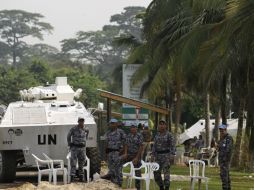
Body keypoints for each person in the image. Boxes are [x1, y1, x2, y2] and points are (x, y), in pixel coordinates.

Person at [101, 118, 126, 187]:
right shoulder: (108, 132)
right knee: (111, 167)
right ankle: (113, 181)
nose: (112, 125)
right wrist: (106, 153)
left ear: (116, 124)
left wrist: (124, 151)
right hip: (110, 152)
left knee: (118, 168)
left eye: (113, 123)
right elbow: (106, 142)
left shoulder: (121, 132)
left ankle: (120, 182)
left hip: (117, 152)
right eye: (111, 123)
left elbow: (125, 142)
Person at [151, 119, 175, 190]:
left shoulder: (169, 135)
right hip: (158, 156)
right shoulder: (157, 135)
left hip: (166, 156)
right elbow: (154, 146)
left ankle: (167, 187)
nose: (161, 126)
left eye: (163, 124)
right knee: (156, 172)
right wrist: (152, 155)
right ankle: (161, 187)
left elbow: (173, 145)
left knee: (166, 173)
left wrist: (172, 154)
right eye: (160, 124)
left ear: (166, 126)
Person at [67, 117, 89, 182]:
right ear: (78, 121)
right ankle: (72, 177)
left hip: (82, 148)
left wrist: (84, 142)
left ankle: (81, 177)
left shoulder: (86, 129)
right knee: (73, 162)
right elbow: (68, 136)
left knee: (82, 162)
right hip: (75, 148)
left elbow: (86, 136)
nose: (81, 122)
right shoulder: (74, 128)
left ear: (84, 121)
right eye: (80, 121)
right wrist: (69, 143)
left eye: (82, 121)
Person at [125, 123, 143, 190]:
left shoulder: (139, 136)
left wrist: (137, 157)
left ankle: (138, 187)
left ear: (136, 128)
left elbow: (141, 147)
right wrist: (125, 153)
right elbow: (126, 145)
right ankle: (117, 182)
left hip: (136, 155)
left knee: (137, 171)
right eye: (131, 127)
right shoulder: (128, 135)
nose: (133, 128)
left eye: (134, 127)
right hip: (129, 155)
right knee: (118, 161)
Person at [218, 124, 234, 190]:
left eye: (222, 130)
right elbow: (220, 148)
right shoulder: (222, 139)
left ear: (225, 130)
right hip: (222, 160)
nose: (221, 132)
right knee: (225, 175)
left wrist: (225, 159)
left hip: (225, 160)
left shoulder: (229, 138)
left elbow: (228, 149)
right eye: (220, 130)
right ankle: (228, 188)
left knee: (224, 175)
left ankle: (225, 188)